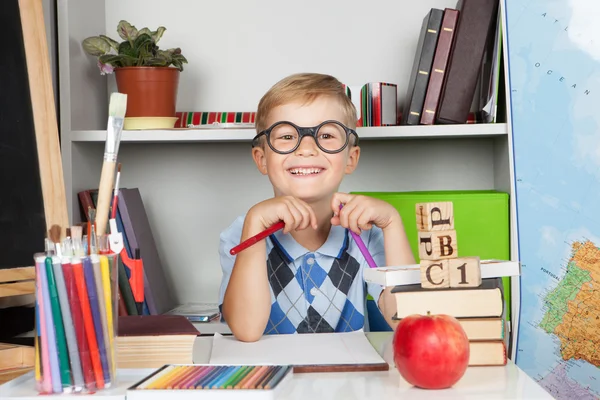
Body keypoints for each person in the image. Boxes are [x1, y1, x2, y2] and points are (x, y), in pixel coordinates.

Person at [218, 72, 415, 342]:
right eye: (287, 136)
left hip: (351, 381)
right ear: (262, 159)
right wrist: (255, 221)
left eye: (326, 134)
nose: (307, 148)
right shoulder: (242, 233)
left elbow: (408, 320)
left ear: (351, 157)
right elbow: (246, 330)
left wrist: (392, 223)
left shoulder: (366, 233)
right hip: (272, 380)